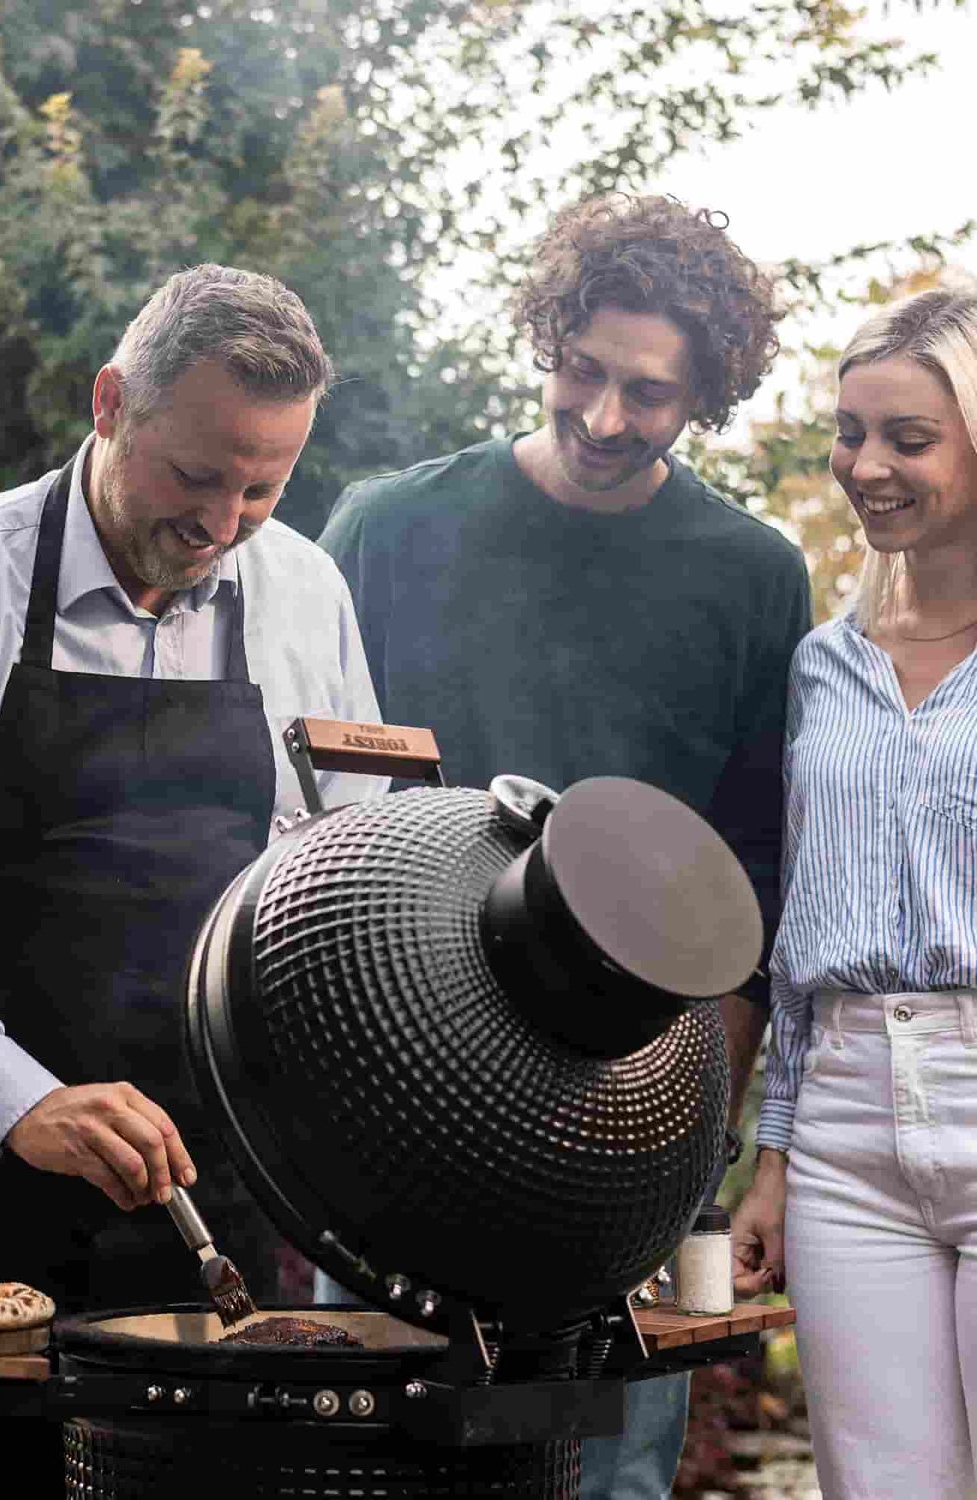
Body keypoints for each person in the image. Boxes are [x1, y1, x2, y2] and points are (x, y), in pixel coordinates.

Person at [0, 263, 384, 1497]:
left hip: (203, 1208)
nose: (223, 525)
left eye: (263, 489)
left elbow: (341, 884)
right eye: (196, 476)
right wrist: (18, 1101)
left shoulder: (303, 592)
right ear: (111, 402)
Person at [319, 195, 811, 1499]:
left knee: (599, 1473)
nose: (602, 417)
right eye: (581, 371)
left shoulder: (751, 576)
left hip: (625, 1114)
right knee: (362, 1460)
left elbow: (759, 866)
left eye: (647, 394)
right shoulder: (383, 527)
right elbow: (304, 819)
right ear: (547, 335)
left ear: (709, 392)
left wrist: (701, 1119)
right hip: (391, 1089)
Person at [731, 288, 977, 1497]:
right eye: (850, 432)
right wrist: (772, 1157)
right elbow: (800, 938)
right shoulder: (823, 666)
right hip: (841, 1131)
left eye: (909, 440)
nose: (865, 467)